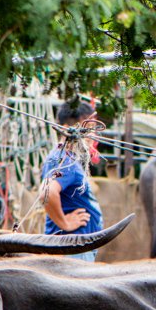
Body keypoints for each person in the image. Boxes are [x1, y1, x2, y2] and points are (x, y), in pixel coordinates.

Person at [40, 100, 105, 242]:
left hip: (74, 248)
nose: (92, 134)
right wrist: (65, 223)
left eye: (93, 128)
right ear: (66, 129)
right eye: (88, 128)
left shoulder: (67, 158)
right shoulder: (64, 160)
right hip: (71, 248)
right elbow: (47, 191)